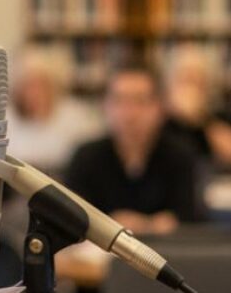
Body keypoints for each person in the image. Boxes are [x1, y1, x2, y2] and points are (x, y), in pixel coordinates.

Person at [64, 67, 206, 235]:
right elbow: (70, 218)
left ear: (160, 107)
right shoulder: (85, 157)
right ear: (105, 106)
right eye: (119, 100)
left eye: (140, 101)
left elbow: (188, 218)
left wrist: (146, 225)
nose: (129, 113)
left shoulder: (181, 155)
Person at [6, 46, 104, 175]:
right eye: (28, 85)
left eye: (41, 84)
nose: (35, 92)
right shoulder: (6, 119)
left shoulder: (78, 117)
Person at [162, 44, 231, 169]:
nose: (192, 89)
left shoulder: (216, 118)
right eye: (186, 79)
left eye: (198, 80)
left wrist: (199, 119)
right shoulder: (161, 121)